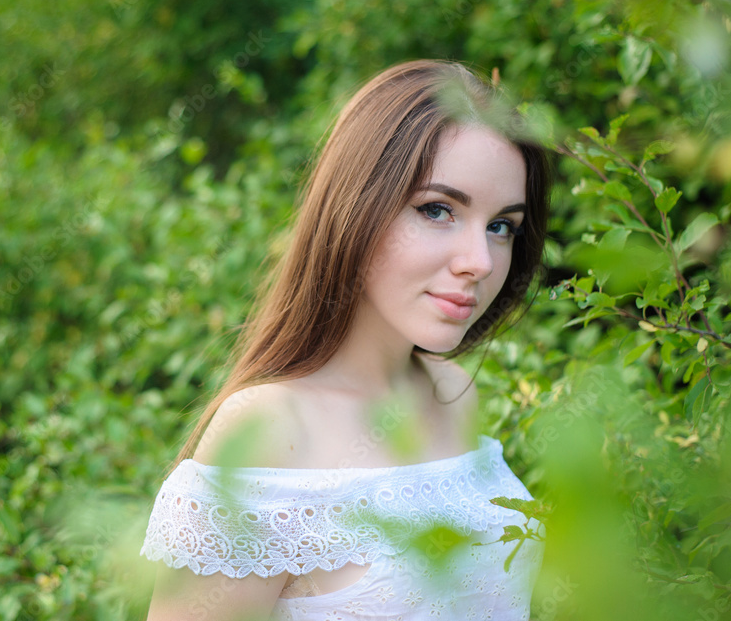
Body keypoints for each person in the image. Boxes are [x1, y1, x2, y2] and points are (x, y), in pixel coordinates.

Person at [140, 59, 552, 620]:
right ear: (356, 205)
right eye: (437, 210)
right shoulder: (269, 429)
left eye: (501, 226)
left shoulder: (453, 393)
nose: (479, 261)